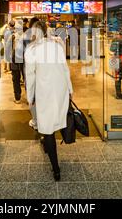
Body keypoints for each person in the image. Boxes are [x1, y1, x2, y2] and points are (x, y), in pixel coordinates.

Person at [25, 21, 73, 181]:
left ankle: (56, 168)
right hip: (60, 89)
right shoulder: (56, 46)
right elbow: (65, 68)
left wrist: (29, 96)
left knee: (47, 128)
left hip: (44, 92)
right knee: (58, 119)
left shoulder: (31, 50)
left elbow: (30, 76)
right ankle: (50, 145)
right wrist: (70, 89)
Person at [10, 20, 25, 104]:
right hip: (22, 60)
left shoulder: (12, 36)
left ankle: (18, 97)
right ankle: (29, 98)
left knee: (16, 79)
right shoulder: (26, 36)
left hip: (16, 59)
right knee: (25, 78)